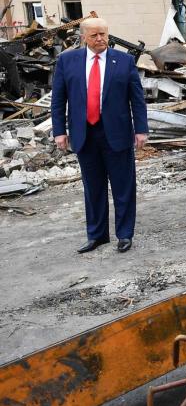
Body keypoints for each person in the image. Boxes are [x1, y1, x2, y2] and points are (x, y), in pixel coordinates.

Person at [51, 17, 148, 253]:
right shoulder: (67, 61)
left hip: (116, 133)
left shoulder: (123, 61)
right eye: (94, 35)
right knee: (92, 187)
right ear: (83, 37)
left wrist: (141, 129)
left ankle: (124, 235)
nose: (100, 39)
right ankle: (97, 235)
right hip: (84, 133)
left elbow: (137, 99)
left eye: (103, 34)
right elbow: (58, 100)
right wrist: (59, 132)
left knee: (123, 186)